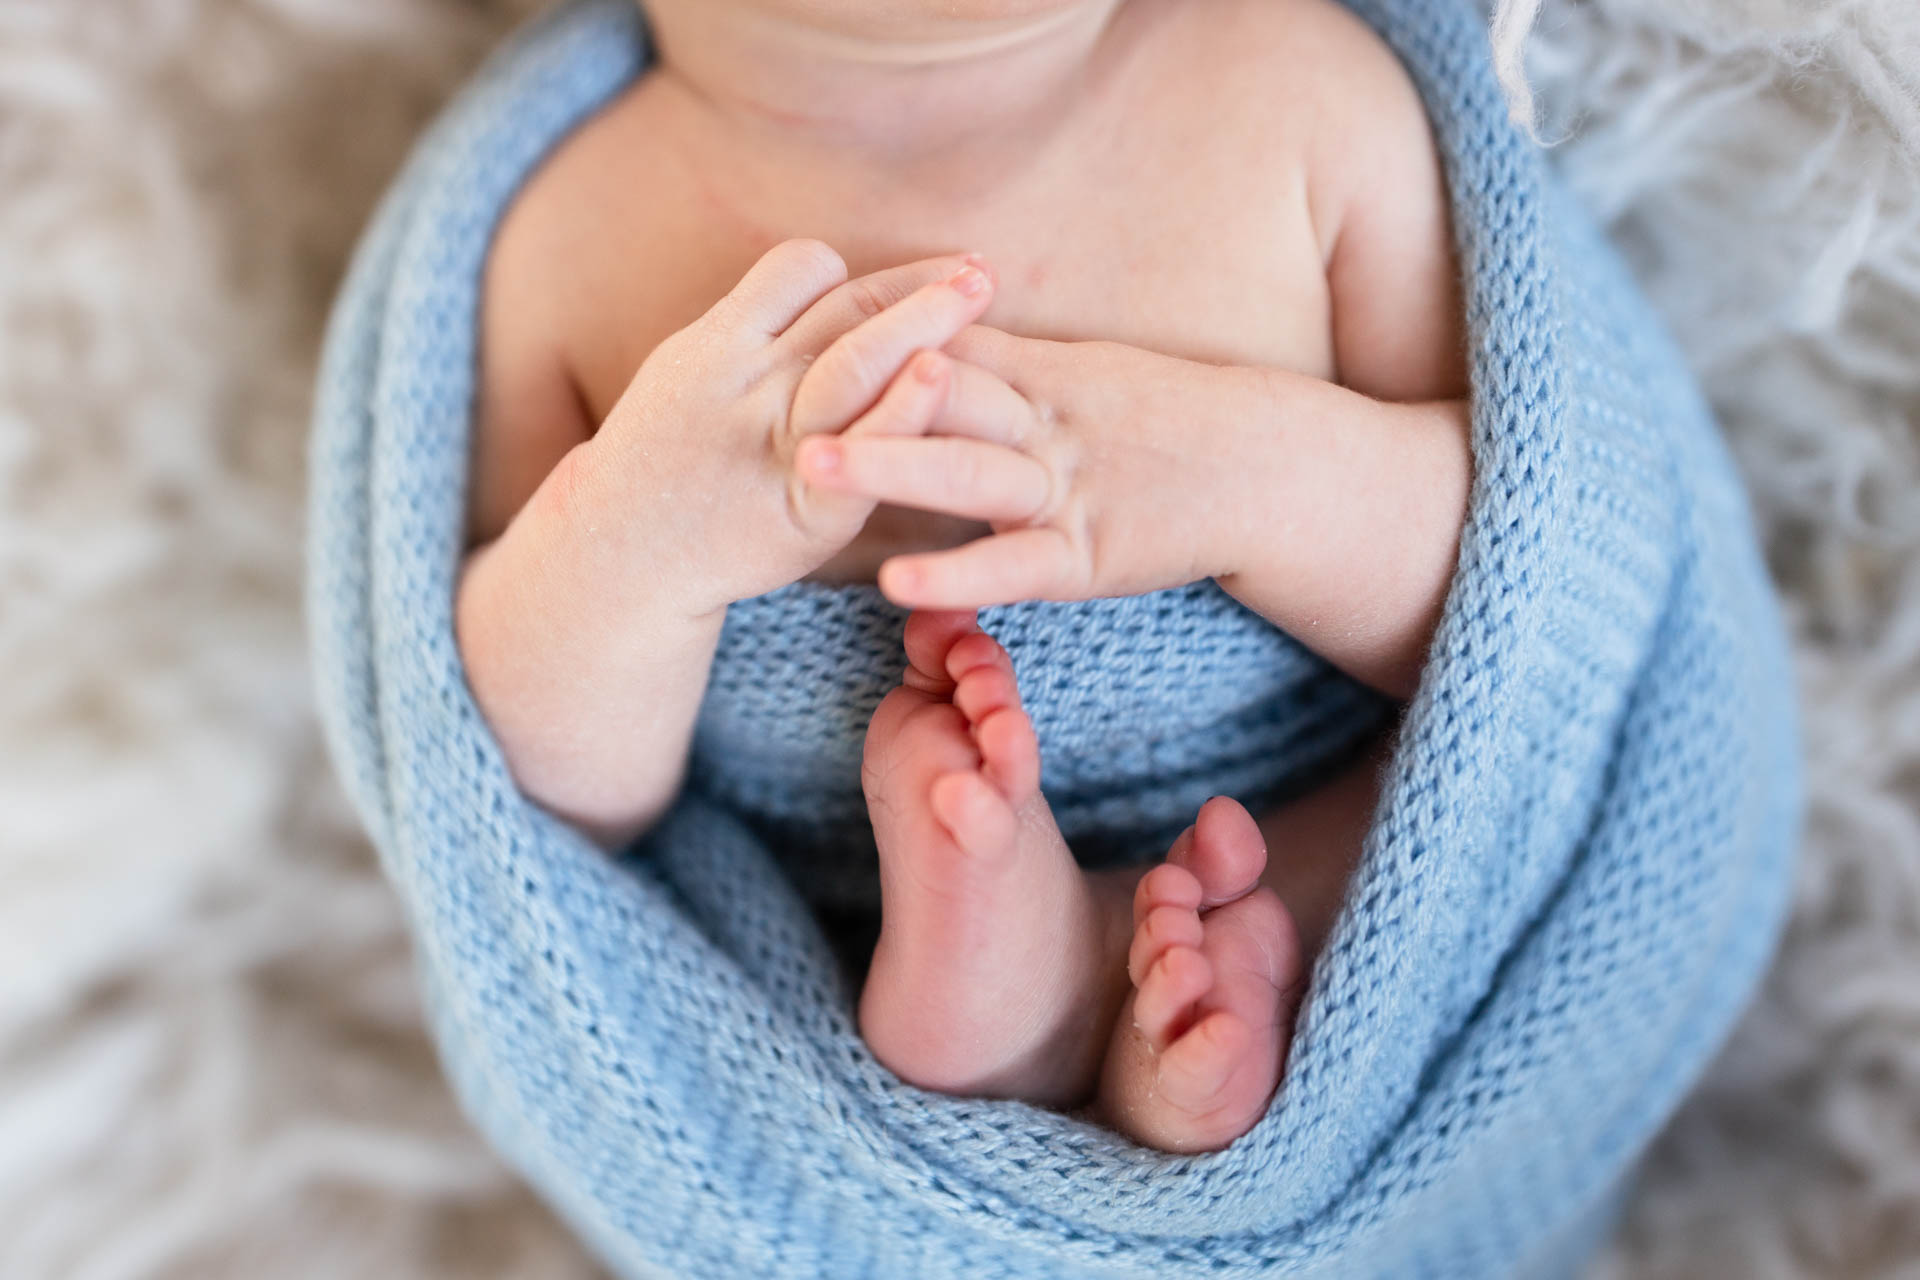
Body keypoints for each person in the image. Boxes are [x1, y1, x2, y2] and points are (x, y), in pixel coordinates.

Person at [454, 0, 1469, 1153]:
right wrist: (629, 540)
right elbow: (541, 797)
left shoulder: (1302, 94)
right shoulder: (569, 237)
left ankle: (1150, 998)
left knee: (1427, 861)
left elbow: (1501, 616)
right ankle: (1037, 1011)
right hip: (843, 914)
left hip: (1315, 824)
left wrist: (1250, 474)